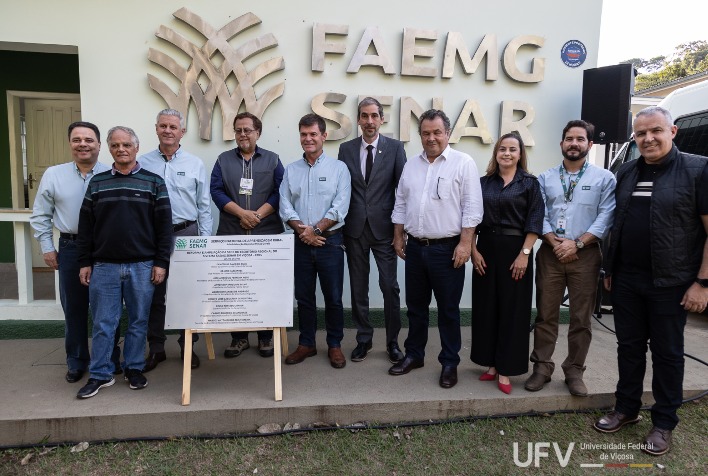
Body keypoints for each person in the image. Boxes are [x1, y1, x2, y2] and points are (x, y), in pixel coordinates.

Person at [594, 106, 708, 456]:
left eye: (655, 131)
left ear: (672, 131)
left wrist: (702, 283)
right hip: (628, 279)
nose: (648, 138)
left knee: (668, 354)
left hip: (672, 283)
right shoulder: (627, 171)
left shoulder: (698, 169)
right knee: (628, 347)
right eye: (641, 133)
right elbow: (619, 225)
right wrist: (610, 271)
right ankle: (626, 409)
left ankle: (663, 422)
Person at [75, 126, 172, 399]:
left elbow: (164, 228)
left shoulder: (154, 182)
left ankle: (134, 368)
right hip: (104, 266)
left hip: (143, 266)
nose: (121, 149)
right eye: (115, 145)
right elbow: (86, 227)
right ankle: (101, 374)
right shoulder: (97, 183)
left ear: (136, 147)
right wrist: (85, 262)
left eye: (126, 145)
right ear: (109, 149)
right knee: (104, 322)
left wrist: (160, 262)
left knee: (139, 321)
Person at [389, 109, 483, 389]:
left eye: (437, 132)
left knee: (448, 311)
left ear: (448, 133)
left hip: (447, 250)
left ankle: (449, 362)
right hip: (416, 249)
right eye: (426, 133)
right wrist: (397, 236)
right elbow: (401, 203)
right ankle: (414, 355)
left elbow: (472, 208)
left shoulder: (463, 163)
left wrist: (466, 244)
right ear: (420, 135)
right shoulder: (411, 165)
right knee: (416, 308)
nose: (431, 138)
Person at [525, 120, 616, 397]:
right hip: (550, 255)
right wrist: (554, 241)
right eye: (569, 139)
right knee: (546, 314)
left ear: (590, 144)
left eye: (580, 139)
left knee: (581, 318)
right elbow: (538, 215)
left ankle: (574, 370)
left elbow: (606, 216)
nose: (573, 143)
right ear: (561, 143)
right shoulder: (545, 178)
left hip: (586, 256)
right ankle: (542, 367)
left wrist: (577, 244)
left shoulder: (604, 179)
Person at [30, 121, 122, 384]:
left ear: (98, 144)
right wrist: (47, 247)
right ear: (70, 143)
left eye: (89, 139)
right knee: (74, 308)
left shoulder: (112, 173)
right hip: (70, 247)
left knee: (108, 308)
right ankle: (77, 361)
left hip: (105, 249)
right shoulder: (54, 175)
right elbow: (40, 216)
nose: (83, 144)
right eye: (77, 139)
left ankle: (109, 358)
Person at [140, 109, 213, 372]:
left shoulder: (194, 163)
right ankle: (156, 348)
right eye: (163, 126)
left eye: (173, 126)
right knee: (153, 293)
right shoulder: (143, 163)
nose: (168, 130)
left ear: (182, 132)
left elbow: (204, 205)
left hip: (186, 234)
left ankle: (187, 347)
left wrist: (204, 242)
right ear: (156, 129)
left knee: (188, 294)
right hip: (151, 236)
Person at [471, 133, 544, 394]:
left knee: (513, 310)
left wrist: (525, 253)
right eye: (502, 149)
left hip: (516, 250)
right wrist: (472, 251)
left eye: (513, 149)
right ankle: (490, 364)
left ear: (520, 153)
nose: (507, 153)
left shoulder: (530, 184)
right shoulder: (483, 183)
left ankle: (506, 368)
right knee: (486, 307)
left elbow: (535, 219)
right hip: (486, 249)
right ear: (496, 153)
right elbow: (470, 218)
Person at [337, 97, 406, 363]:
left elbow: (402, 191)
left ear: (381, 119)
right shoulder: (346, 150)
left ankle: (392, 342)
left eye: (374, 116)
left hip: (385, 230)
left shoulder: (395, 148)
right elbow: (344, 190)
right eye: (364, 116)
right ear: (358, 120)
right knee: (358, 288)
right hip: (354, 230)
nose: (369, 121)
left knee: (390, 287)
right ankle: (363, 340)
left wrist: (401, 231)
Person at [211, 111, 285, 359]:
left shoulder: (273, 160)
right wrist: (241, 213)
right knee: (236, 289)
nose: (242, 134)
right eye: (238, 130)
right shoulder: (222, 160)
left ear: (258, 133)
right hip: (232, 233)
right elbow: (217, 191)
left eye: (247, 130)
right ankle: (239, 338)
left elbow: (280, 192)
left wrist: (258, 216)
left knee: (264, 287)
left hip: (267, 234)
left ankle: (265, 337)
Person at [279, 113, 351, 369]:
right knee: (304, 297)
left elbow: (340, 207)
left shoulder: (339, 169)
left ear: (324, 136)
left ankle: (334, 344)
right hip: (300, 244)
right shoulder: (291, 170)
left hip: (330, 243)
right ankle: (306, 343)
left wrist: (316, 232)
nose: (308, 139)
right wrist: (304, 233)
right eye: (303, 134)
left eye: (313, 134)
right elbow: (285, 206)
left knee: (333, 297)